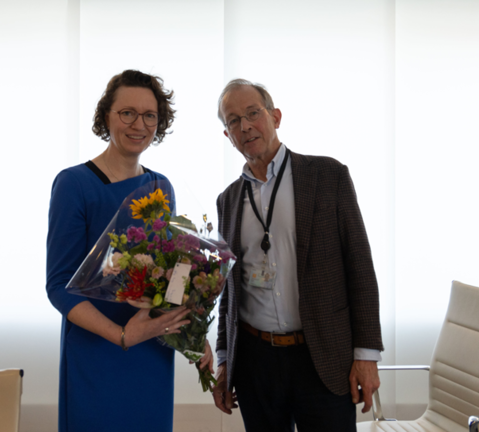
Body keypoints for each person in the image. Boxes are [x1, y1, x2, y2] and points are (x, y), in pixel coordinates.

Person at [211, 79, 384, 432]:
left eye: (252, 113)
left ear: (275, 116)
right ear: (227, 136)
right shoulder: (227, 200)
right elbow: (230, 289)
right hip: (255, 361)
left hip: (321, 354)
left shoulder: (327, 176)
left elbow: (360, 267)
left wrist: (366, 355)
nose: (245, 126)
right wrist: (226, 359)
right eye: (232, 121)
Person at [46, 70, 212, 432]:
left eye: (150, 115)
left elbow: (171, 275)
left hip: (152, 352)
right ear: (107, 116)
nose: (140, 124)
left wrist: (194, 334)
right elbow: (58, 285)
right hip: (97, 351)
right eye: (127, 113)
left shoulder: (160, 187)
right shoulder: (74, 184)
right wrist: (122, 336)